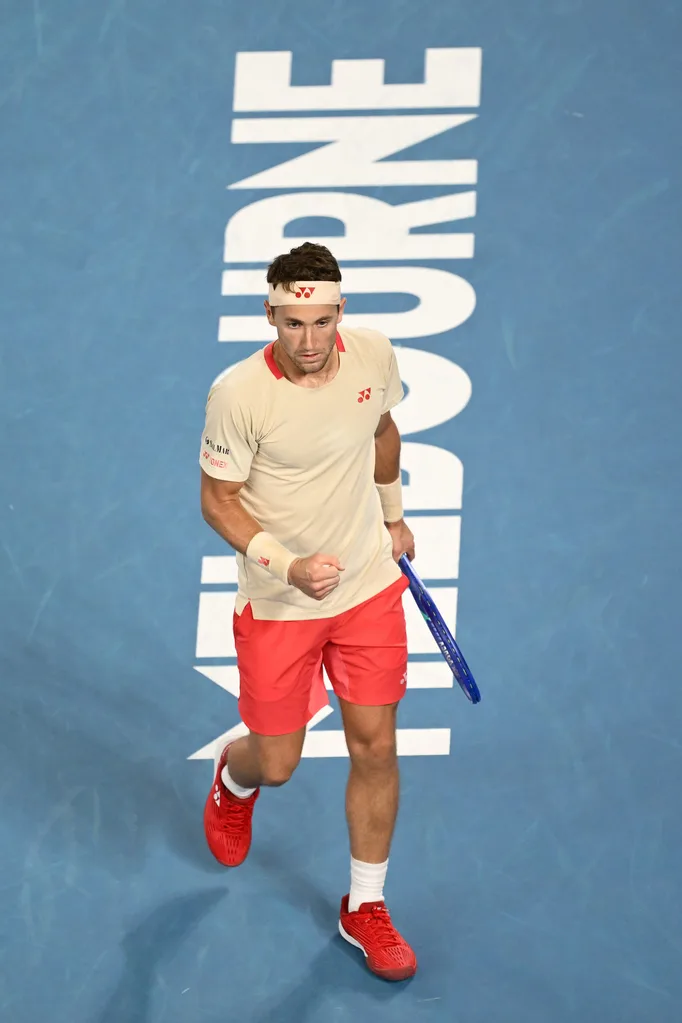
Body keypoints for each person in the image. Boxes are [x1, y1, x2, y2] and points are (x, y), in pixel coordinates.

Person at [199, 242, 417, 982]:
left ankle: (366, 905)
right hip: (280, 602)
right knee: (279, 762)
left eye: (323, 321)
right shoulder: (237, 394)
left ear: (341, 312)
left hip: (365, 588)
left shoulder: (373, 354)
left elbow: (381, 430)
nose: (310, 340)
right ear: (270, 315)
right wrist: (286, 565)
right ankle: (235, 777)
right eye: (294, 323)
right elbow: (218, 500)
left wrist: (392, 515)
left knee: (376, 746)